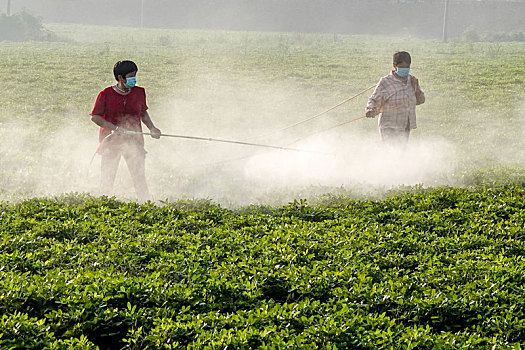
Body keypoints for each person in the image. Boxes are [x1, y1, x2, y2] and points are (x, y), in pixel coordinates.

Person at [90, 60, 161, 201]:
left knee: (139, 178)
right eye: (131, 76)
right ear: (121, 78)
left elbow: (143, 113)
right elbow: (95, 117)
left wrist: (152, 128)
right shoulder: (106, 94)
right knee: (107, 179)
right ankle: (103, 206)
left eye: (135, 75)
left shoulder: (139, 92)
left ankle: (145, 203)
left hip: (134, 141)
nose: (134, 79)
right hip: (111, 142)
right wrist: (115, 128)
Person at [365, 51, 425, 147]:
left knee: (401, 152)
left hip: (405, 125)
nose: (404, 70)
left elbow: (420, 100)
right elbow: (374, 99)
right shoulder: (386, 82)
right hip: (389, 126)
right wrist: (370, 109)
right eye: (401, 67)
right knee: (390, 152)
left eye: (407, 67)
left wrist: (416, 88)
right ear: (394, 65)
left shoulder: (412, 81)